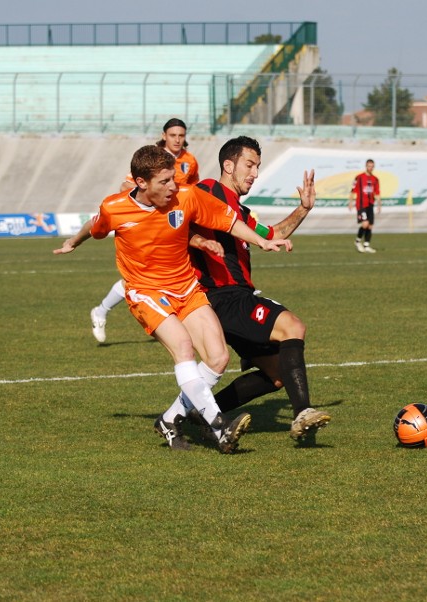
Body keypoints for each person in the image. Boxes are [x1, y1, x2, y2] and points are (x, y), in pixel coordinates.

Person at [55, 144, 293, 453]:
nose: (173, 186)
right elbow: (95, 225)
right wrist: (74, 241)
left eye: (173, 179)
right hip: (146, 292)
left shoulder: (187, 195)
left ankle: (169, 420)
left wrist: (261, 240)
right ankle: (218, 427)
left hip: (186, 288)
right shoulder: (115, 208)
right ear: (141, 183)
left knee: (218, 358)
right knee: (182, 346)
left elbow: (228, 220)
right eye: (164, 181)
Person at [177, 136, 330, 441]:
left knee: (275, 374)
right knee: (292, 327)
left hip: (235, 299)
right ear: (228, 165)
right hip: (223, 297)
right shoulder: (208, 190)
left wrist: (303, 209)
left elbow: (272, 233)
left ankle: (204, 411)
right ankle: (303, 414)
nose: (255, 173)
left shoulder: (242, 213)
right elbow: (184, 212)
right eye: (249, 164)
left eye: (258, 166)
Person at [89, 118, 200, 343]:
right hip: (148, 224)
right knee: (143, 278)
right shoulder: (152, 157)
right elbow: (126, 187)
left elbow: (193, 190)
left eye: (181, 135)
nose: (178, 139)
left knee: (170, 273)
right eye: (173, 135)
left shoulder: (190, 161)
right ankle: (102, 310)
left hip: (174, 223)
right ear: (164, 136)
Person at [350, 159, 381, 253]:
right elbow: (352, 190)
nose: (370, 168)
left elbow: (377, 192)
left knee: (370, 225)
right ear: (366, 166)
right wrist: (350, 202)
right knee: (365, 224)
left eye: (372, 166)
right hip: (361, 204)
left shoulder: (375, 179)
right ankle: (357, 241)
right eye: (369, 166)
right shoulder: (359, 177)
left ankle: (366, 245)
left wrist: (379, 204)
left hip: (370, 204)